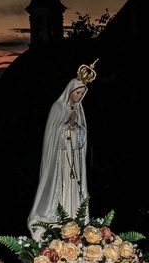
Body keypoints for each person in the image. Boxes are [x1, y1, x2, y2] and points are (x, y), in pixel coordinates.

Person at [27, 61, 97, 242]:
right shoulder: (57, 108)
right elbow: (52, 136)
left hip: (74, 163)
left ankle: (75, 225)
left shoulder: (79, 111)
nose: (79, 97)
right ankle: (59, 225)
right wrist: (67, 126)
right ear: (70, 91)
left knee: (75, 194)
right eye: (77, 93)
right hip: (60, 164)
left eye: (82, 94)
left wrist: (76, 130)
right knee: (60, 193)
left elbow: (82, 141)